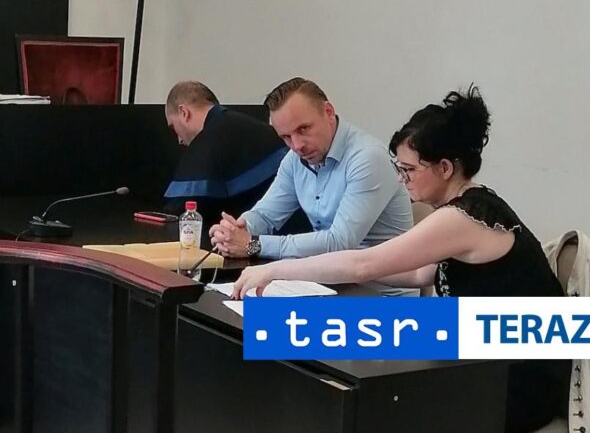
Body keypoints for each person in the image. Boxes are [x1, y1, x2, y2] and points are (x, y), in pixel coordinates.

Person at [231, 85, 569, 433]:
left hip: (516, 381)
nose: (401, 178)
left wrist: (275, 269)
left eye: (408, 169)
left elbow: (363, 265)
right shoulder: (474, 205)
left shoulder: (461, 218)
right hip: (487, 360)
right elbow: (418, 273)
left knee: (369, 396)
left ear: (444, 168)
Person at [209, 77, 415, 295]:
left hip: (382, 297)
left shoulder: (368, 158)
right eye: (286, 137)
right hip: (326, 285)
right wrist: (237, 230)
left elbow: (338, 242)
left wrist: (253, 244)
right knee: (228, 305)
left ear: (328, 112)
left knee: (255, 313)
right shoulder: (294, 160)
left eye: (303, 129)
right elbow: (266, 215)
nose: (297, 145)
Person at [164, 80, 288, 225]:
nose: (179, 140)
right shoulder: (259, 129)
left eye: (173, 127)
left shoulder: (206, 146)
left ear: (184, 113)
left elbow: (180, 210)